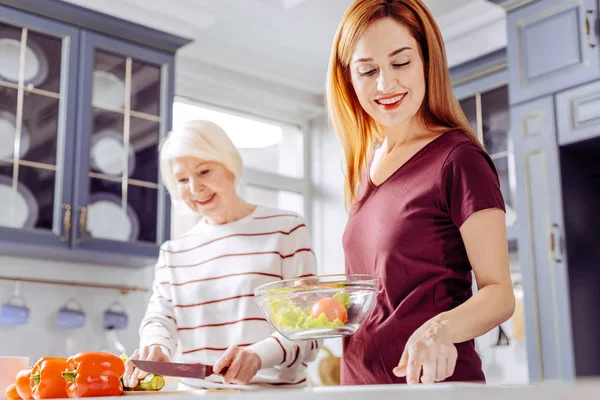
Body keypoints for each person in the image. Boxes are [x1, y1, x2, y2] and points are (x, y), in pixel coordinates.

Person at [326, 0, 515, 386]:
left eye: (400, 63)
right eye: (368, 70)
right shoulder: (366, 168)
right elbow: (381, 295)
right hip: (358, 388)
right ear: (349, 78)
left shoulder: (458, 159)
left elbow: (499, 295)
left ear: (428, 63)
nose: (385, 84)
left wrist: (441, 329)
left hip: (432, 389)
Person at [122, 120, 321, 391]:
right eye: (182, 180)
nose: (194, 188)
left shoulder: (285, 229)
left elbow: (310, 329)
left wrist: (259, 355)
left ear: (229, 167)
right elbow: (160, 319)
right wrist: (156, 347)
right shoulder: (174, 253)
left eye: (204, 171)